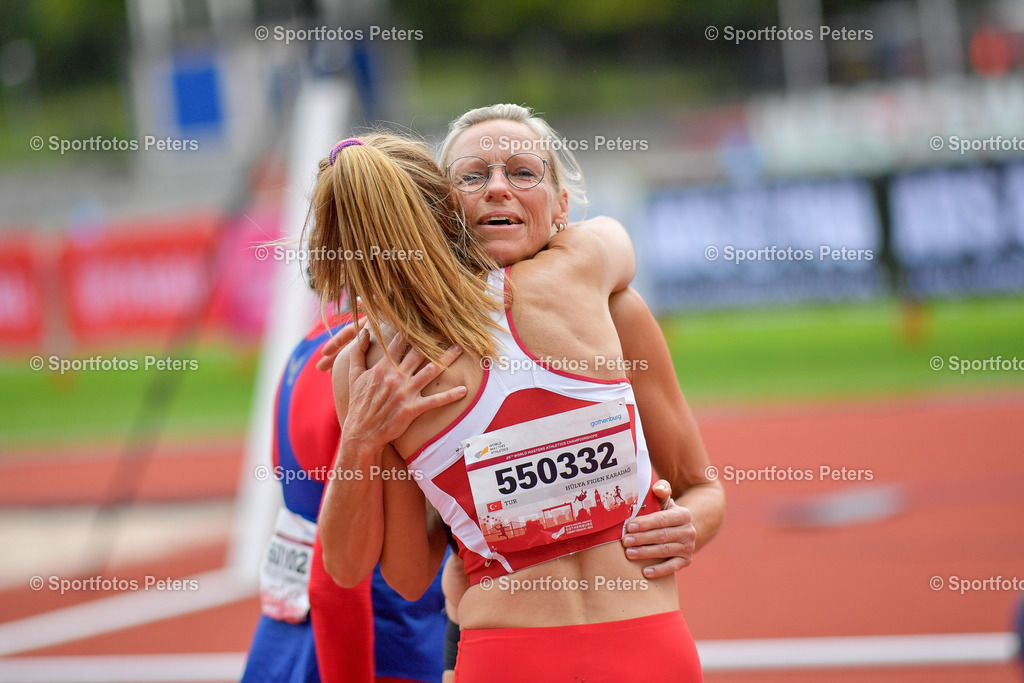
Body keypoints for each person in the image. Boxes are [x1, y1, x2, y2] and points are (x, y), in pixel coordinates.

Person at [308, 120, 711, 680]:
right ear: (446, 208)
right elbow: (617, 238)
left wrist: (360, 440)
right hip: (648, 644)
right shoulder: (586, 270)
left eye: (522, 173)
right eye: (474, 177)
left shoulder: (373, 365)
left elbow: (386, 575)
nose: (498, 188)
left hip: (504, 656)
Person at [239, 306, 452, 683]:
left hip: (281, 644)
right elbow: (337, 581)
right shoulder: (376, 362)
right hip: (378, 645)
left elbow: (292, 488)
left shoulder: (310, 346)